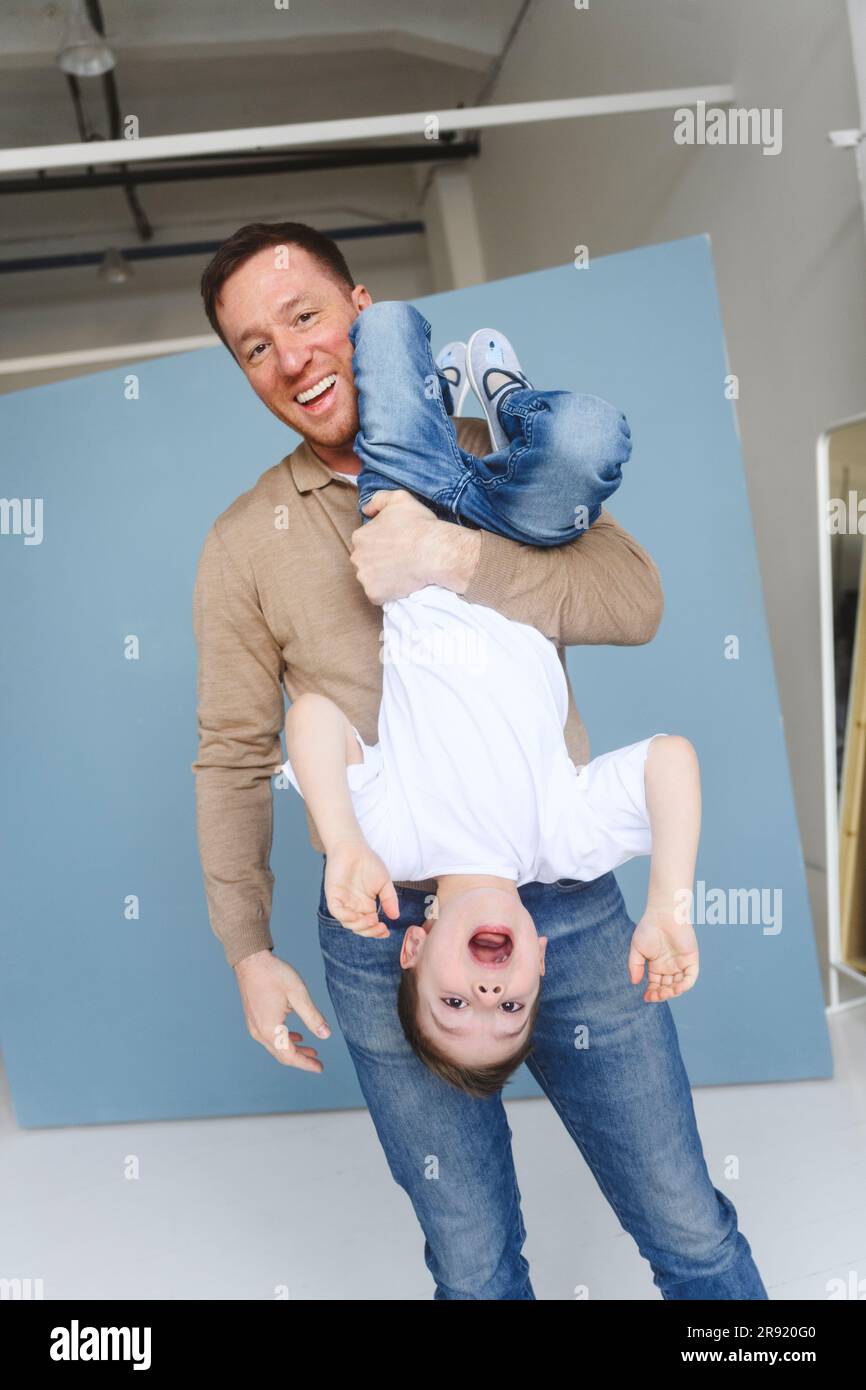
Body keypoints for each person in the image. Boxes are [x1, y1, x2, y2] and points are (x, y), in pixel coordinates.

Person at [192, 220, 768, 1299]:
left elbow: (631, 602)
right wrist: (246, 948)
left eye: (305, 317)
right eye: (254, 346)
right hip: (380, 922)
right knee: (467, 1254)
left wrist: (453, 556)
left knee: (685, 1221)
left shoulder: (489, 465)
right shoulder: (241, 543)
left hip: (568, 895)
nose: (290, 358)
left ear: (360, 314)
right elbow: (233, 752)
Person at [274, 299, 702, 1094]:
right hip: (513, 534)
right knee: (588, 437)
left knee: (389, 325)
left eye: (453, 1002)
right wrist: (671, 902)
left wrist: (342, 842)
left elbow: (312, 720)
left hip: (403, 505)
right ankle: (506, 399)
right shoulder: (561, 844)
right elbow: (672, 760)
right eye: (508, 1008)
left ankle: (435, 410)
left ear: (413, 946)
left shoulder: (395, 848)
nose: (486, 992)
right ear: (541, 959)